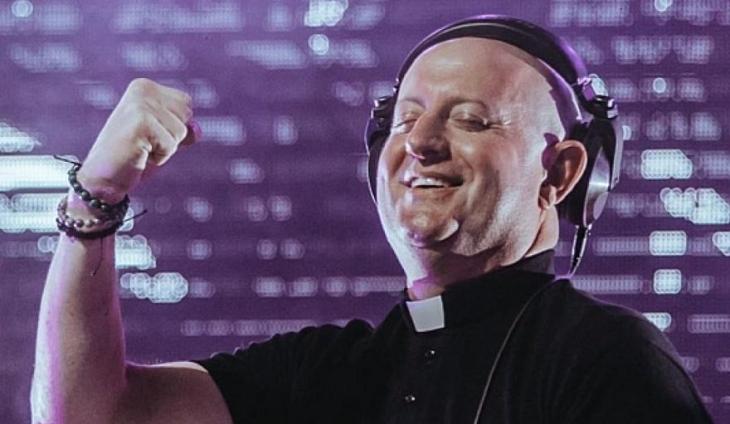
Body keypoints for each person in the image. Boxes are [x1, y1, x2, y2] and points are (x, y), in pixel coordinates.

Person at [31, 15, 713, 424]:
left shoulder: (606, 360)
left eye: (471, 120)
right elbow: (92, 415)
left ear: (561, 174)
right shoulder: (334, 370)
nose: (421, 143)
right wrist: (97, 195)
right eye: (406, 119)